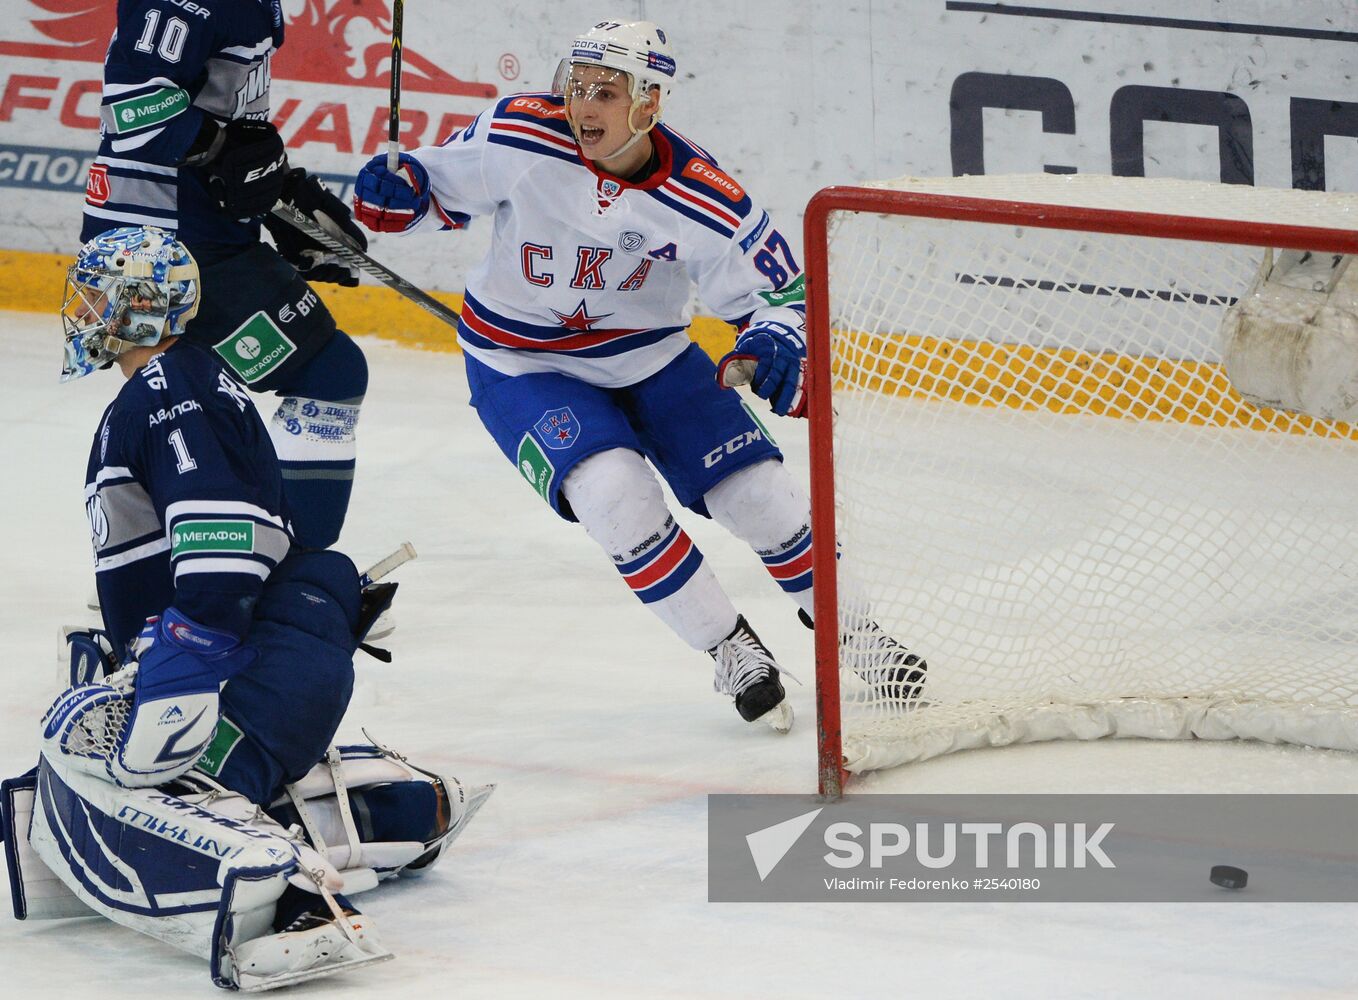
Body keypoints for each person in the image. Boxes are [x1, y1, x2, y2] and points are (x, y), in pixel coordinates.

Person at [351, 20, 925, 732]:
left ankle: (855, 633)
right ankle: (728, 645)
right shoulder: (519, 135)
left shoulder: (705, 195)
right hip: (521, 362)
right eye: (577, 87)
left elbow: (781, 296)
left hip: (651, 355)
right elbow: (428, 196)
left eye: (606, 93)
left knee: (759, 496)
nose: (583, 106)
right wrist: (395, 198)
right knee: (613, 493)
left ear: (650, 104)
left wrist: (776, 339)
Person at [1, 227, 491, 991]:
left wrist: (184, 649)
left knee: (157, 785)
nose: (83, 306)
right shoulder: (183, 381)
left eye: (98, 290)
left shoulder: (168, 391)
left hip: (250, 663)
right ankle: (400, 809)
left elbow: (222, 539)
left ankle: (299, 904)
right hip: (271, 654)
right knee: (137, 754)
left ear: (137, 308)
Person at [79, 0, 369, 549]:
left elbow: (220, 122)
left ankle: (163, 568)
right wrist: (229, 156)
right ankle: (292, 576)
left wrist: (280, 192)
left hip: (154, 235)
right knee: (326, 375)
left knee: (187, 407)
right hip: (159, 248)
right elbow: (132, 106)